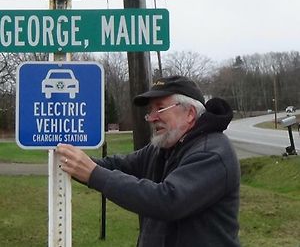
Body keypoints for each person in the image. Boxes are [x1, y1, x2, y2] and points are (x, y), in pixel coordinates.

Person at [57, 75, 240, 247]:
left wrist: (93, 174)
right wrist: (67, 157)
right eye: (150, 111)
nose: (151, 118)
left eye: (160, 108)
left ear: (190, 114)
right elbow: (116, 166)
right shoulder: (162, 148)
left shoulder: (212, 153)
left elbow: (167, 200)